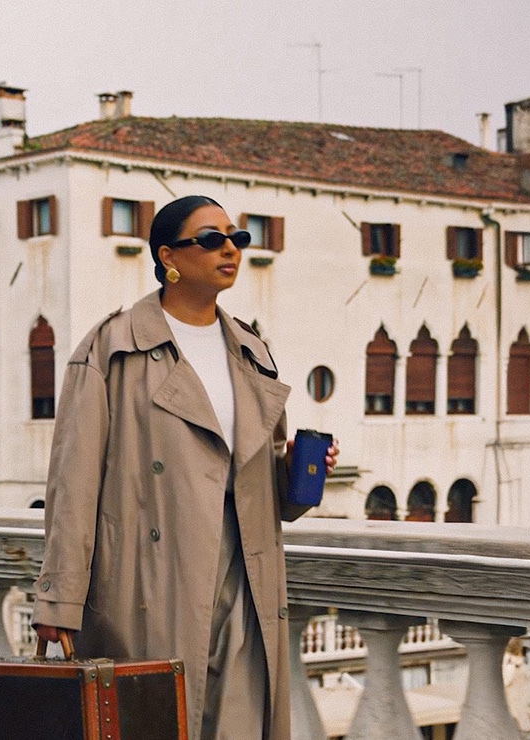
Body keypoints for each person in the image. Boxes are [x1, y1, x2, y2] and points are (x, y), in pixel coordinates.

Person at [32, 195, 339, 740]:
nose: (229, 248)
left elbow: (266, 498)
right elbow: (72, 485)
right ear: (169, 255)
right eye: (211, 238)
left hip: (243, 580)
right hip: (148, 584)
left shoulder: (252, 351)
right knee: (152, 724)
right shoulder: (112, 349)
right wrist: (59, 597)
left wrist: (293, 473)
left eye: (236, 237)